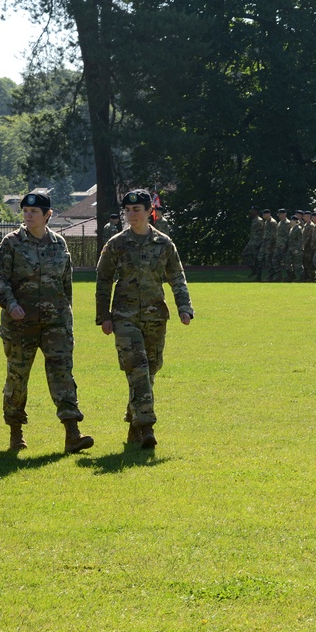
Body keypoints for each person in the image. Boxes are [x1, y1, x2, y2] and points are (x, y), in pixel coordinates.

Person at [0, 191, 93, 453]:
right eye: (25, 211)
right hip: (20, 325)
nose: (28, 215)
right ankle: (16, 433)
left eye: (34, 212)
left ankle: (72, 432)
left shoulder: (59, 244)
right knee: (17, 378)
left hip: (55, 324)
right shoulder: (11, 243)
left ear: (48, 215)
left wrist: (67, 316)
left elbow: (66, 284)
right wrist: (10, 304)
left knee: (62, 375)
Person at [96, 189, 194, 448]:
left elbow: (176, 276)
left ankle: (133, 422)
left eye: (136, 210)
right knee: (137, 368)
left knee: (150, 370)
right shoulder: (116, 244)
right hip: (124, 317)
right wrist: (103, 316)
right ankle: (147, 426)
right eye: (127, 211)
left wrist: (184, 307)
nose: (131, 215)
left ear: (149, 211)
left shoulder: (164, 244)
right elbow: (103, 280)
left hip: (155, 316)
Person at [241, 206, 264, 278]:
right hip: (251, 242)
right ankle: (254, 269)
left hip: (257, 243)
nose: (251, 212)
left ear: (256, 211)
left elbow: (262, 232)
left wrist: (260, 243)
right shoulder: (254, 220)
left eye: (252, 210)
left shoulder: (259, 220)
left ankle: (258, 276)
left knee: (257, 259)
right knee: (244, 254)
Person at [256, 208, 277, 282]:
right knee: (260, 258)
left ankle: (271, 275)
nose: (263, 216)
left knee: (268, 260)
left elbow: (274, 235)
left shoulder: (272, 222)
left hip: (270, 245)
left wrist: (270, 245)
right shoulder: (266, 222)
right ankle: (259, 276)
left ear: (268, 214)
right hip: (265, 243)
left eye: (264, 214)